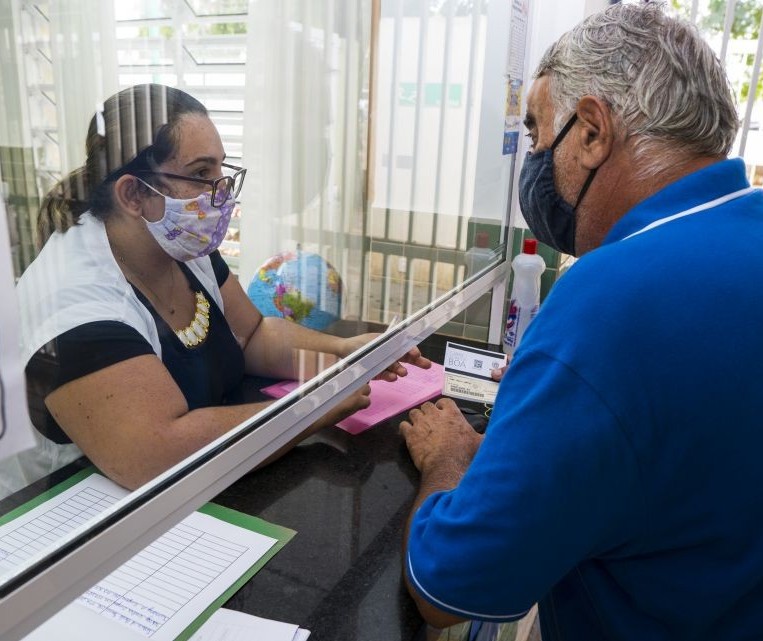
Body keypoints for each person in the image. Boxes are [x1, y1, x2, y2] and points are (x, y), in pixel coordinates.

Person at [400, 3, 763, 640]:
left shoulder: (612, 298)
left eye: (540, 136)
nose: (536, 162)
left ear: (593, 131)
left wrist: (449, 461)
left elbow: (448, 585)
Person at [15, 83, 429, 491]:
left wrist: (343, 356)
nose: (221, 194)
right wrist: (312, 408)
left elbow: (251, 338)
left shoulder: (176, 239)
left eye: (220, 171)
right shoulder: (74, 301)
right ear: (134, 194)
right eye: (200, 174)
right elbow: (157, 455)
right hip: (71, 520)